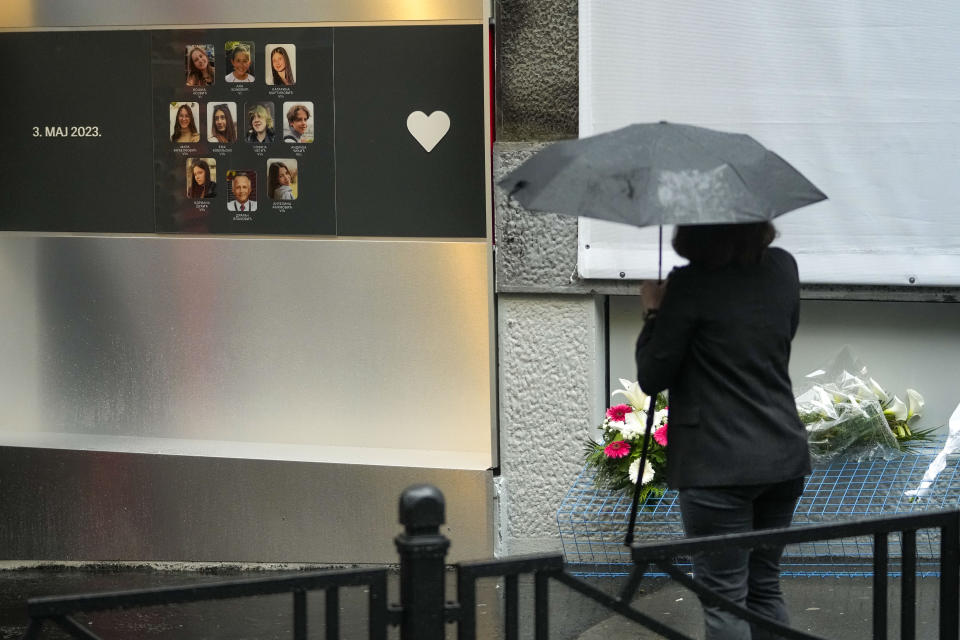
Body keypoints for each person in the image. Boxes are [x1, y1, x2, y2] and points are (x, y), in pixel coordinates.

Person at [634, 222, 810, 640]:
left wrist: (654, 310)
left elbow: (652, 376)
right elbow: (781, 336)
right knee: (764, 588)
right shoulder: (783, 268)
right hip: (782, 455)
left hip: (716, 466)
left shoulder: (690, 285)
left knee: (724, 599)